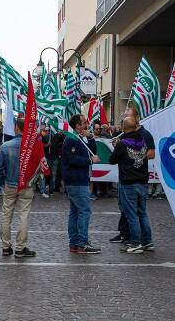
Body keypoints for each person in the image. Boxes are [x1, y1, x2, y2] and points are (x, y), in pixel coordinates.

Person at [110, 108, 155, 245]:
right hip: (134, 177)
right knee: (135, 211)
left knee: (133, 213)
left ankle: (135, 241)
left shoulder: (144, 135)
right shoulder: (129, 137)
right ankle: (137, 237)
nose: (123, 119)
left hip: (131, 178)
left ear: (136, 119)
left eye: (126, 117)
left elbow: (151, 153)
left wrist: (134, 158)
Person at [0, 118, 37, 258]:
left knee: (6, 214)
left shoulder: (6, 146)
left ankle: (6, 247)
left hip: (10, 184)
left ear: (16, 128)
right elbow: (39, 167)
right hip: (26, 185)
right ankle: (20, 248)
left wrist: (3, 182)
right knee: (24, 215)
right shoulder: (32, 147)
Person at [63, 114, 101, 254]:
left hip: (78, 179)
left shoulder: (80, 137)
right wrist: (91, 161)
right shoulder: (72, 139)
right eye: (84, 122)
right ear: (78, 125)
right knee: (84, 211)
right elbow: (73, 160)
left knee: (75, 212)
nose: (87, 124)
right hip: (76, 180)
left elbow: (93, 151)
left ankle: (74, 243)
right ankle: (82, 243)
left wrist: (90, 137)